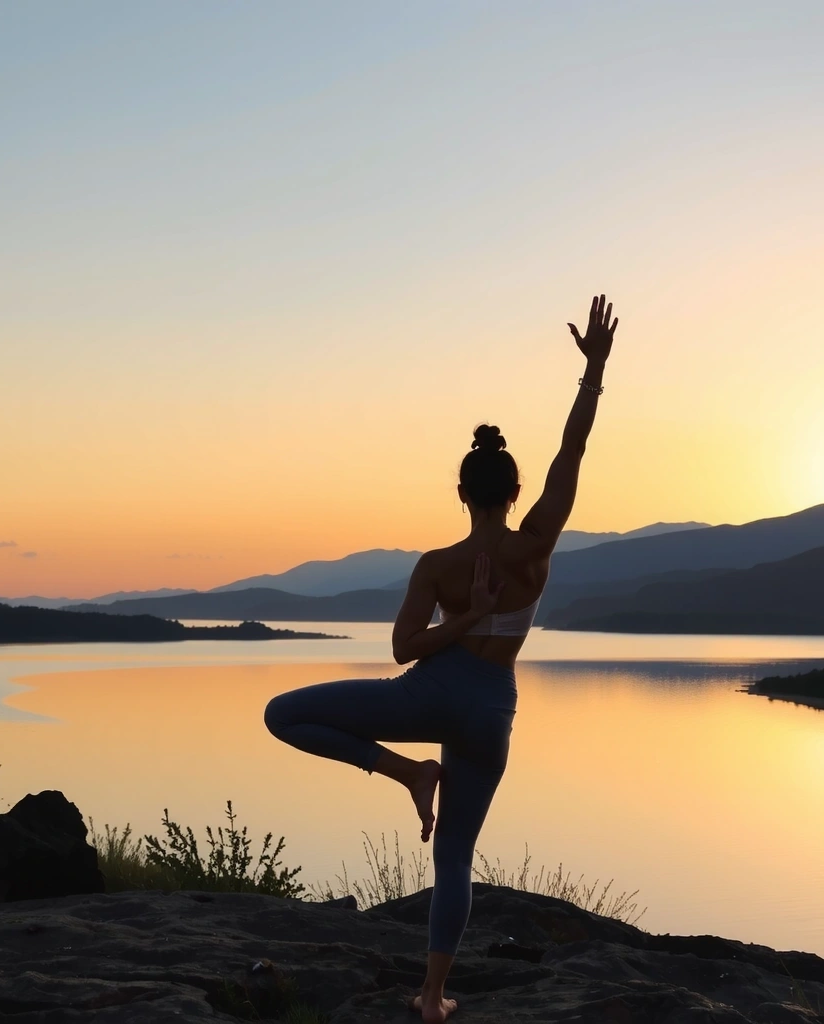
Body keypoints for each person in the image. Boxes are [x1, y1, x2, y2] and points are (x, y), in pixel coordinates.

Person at [263, 294, 618, 1022]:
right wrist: (593, 371)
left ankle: (407, 772)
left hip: (427, 696)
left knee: (283, 714)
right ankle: (432, 997)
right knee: (454, 856)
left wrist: (464, 616)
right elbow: (572, 451)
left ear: (460, 493)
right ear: (516, 492)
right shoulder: (534, 547)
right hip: (492, 711)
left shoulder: (435, 565)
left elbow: (404, 650)